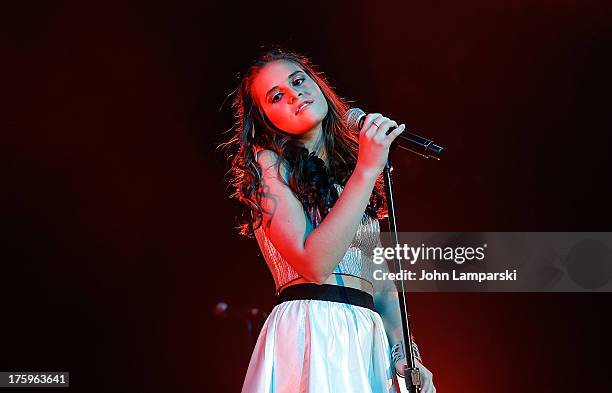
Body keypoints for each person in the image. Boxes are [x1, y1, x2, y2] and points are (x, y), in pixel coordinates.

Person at [222, 48, 436, 393]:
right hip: (313, 331)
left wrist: (405, 355)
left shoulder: (350, 176)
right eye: (278, 96)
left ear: (317, 84)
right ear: (264, 119)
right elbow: (316, 263)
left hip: (367, 338)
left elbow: (380, 284)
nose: (295, 95)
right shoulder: (268, 167)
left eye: (298, 81)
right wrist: (367, 170)